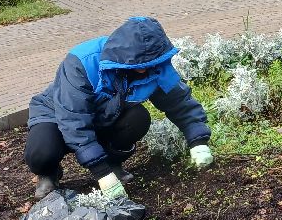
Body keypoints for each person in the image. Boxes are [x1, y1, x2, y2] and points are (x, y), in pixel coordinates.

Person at [24, 16, 213, 200]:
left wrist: (198, 141)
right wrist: (100, 172)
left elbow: (179, 102)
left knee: (137, 118)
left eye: (148, 65)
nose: (143, 71)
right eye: (139, 65)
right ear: (126, 57)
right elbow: (73, 118)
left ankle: (113, 162)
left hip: (104, 116)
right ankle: (48, 174)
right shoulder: (82, 62)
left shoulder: (155, 65)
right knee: (41, 154)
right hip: (55, 115)